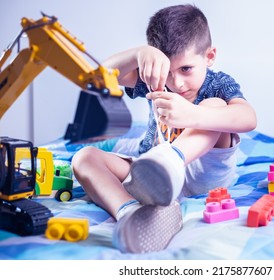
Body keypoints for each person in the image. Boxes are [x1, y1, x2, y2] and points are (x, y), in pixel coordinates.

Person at [71, 4, 257, 254]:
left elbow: (248, 118)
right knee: (84, 158)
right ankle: (128, 212)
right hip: (149, 176)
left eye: (186, 69)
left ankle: (171, 159)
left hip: (203, 175)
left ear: (209, 57)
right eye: (168, 72)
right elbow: (99, 78)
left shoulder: (218, 83)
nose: (177, 83)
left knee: (216, 106)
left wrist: (194, 114)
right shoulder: (153, 79)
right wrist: (139, 54)